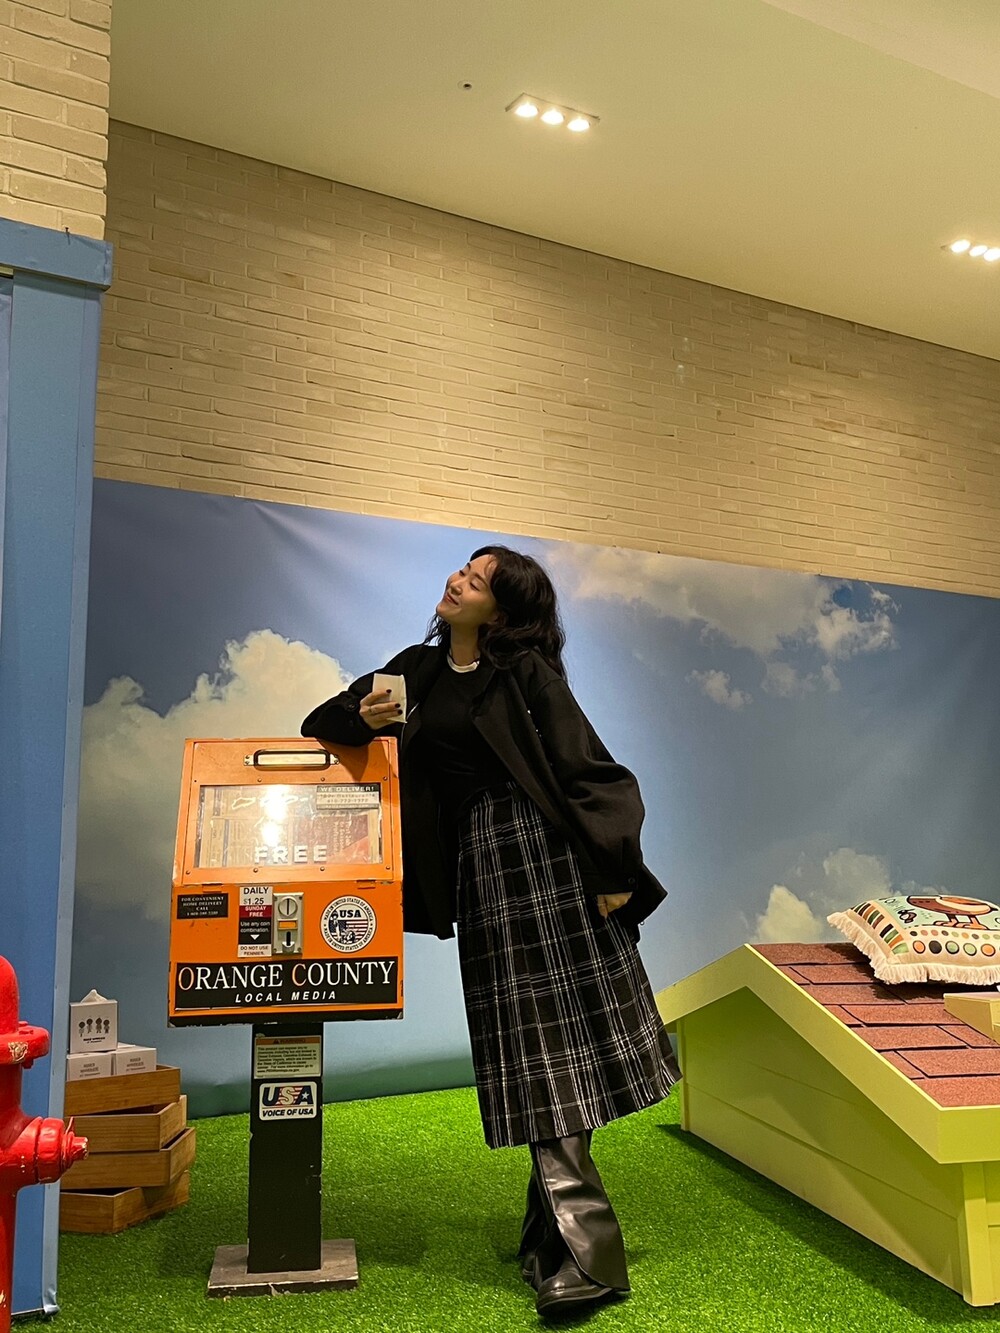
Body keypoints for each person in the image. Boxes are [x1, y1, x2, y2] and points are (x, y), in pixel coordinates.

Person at [301, 545, 678, 1317]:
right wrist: (361, 718)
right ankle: (548, 1238)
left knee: (549, 1047)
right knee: (530, 1047)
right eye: (461, 570)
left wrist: (614, 867)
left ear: (501, 610)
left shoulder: (524, 672)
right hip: (483, 872)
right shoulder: (415, 671)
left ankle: (594, 1254)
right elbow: (320, 722)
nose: (456, 581)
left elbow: (588, 766)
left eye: (476, 581)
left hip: (549, 863)